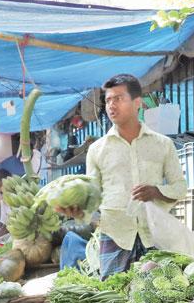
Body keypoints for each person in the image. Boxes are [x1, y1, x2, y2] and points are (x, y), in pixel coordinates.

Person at [61, 74, 186, 278]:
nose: (111, 105)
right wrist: (77, 208)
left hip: (155, 236)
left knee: (158, 299)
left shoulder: (162, 144)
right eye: (108, 100)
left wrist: (156, 191)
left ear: (137, 102)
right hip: (114, 236)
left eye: (118, 98)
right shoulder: (97, 150)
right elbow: (92, 198)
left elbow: (180, 188)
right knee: (114, 300)